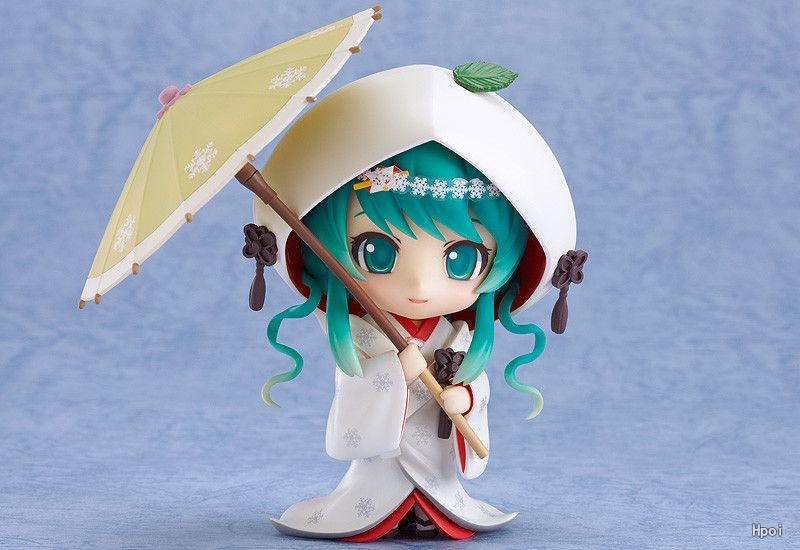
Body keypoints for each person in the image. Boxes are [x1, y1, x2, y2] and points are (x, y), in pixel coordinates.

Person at [243, 64, 586, 540]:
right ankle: (387, 507)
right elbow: (354, 392)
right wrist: (391, 374)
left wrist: (467, 396)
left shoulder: (454, 335)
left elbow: (475, 384)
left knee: (440, 484)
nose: (420, 284)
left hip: (438, 464)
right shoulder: (364, 337)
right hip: (376, 473)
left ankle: (430, 507)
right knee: (376, 486)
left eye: (460, 260)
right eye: (377, 252)